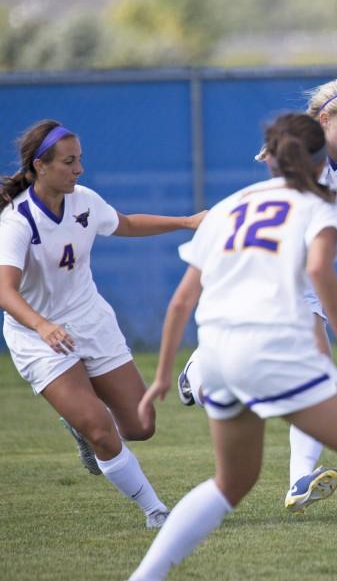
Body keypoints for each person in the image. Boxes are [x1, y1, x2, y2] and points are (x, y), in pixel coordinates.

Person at [112, 113, 337, 581]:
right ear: (320, 163)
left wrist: (164, 373)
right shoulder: (322, 206)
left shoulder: (231, 205)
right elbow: (319, 269)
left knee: (232, 481)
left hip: (215, 355)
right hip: (271, 348)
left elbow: (182, 299)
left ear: (269, 158)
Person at [176, 77, 337, 514]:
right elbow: (321, 213)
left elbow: (325, 211)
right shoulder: (313, 165)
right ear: (324, 120)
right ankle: (294, 473)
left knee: (309, 374)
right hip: (285, 276)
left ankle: (204, 373)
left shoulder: (336, 166)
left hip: (296, 279)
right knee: (316, 372)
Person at [0, 119, 206, 528]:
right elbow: (6, 292)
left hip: (90, 320)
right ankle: (156, 511)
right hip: (37, 336)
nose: (78, 170)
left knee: (142, 425)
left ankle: (80, 423)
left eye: (80, 160)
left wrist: (186, 221)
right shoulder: (17, 221)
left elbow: (124, 224)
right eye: (69, 162)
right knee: (101, 430)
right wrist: (42, 326)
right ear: (40, 166)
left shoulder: (84, 201)